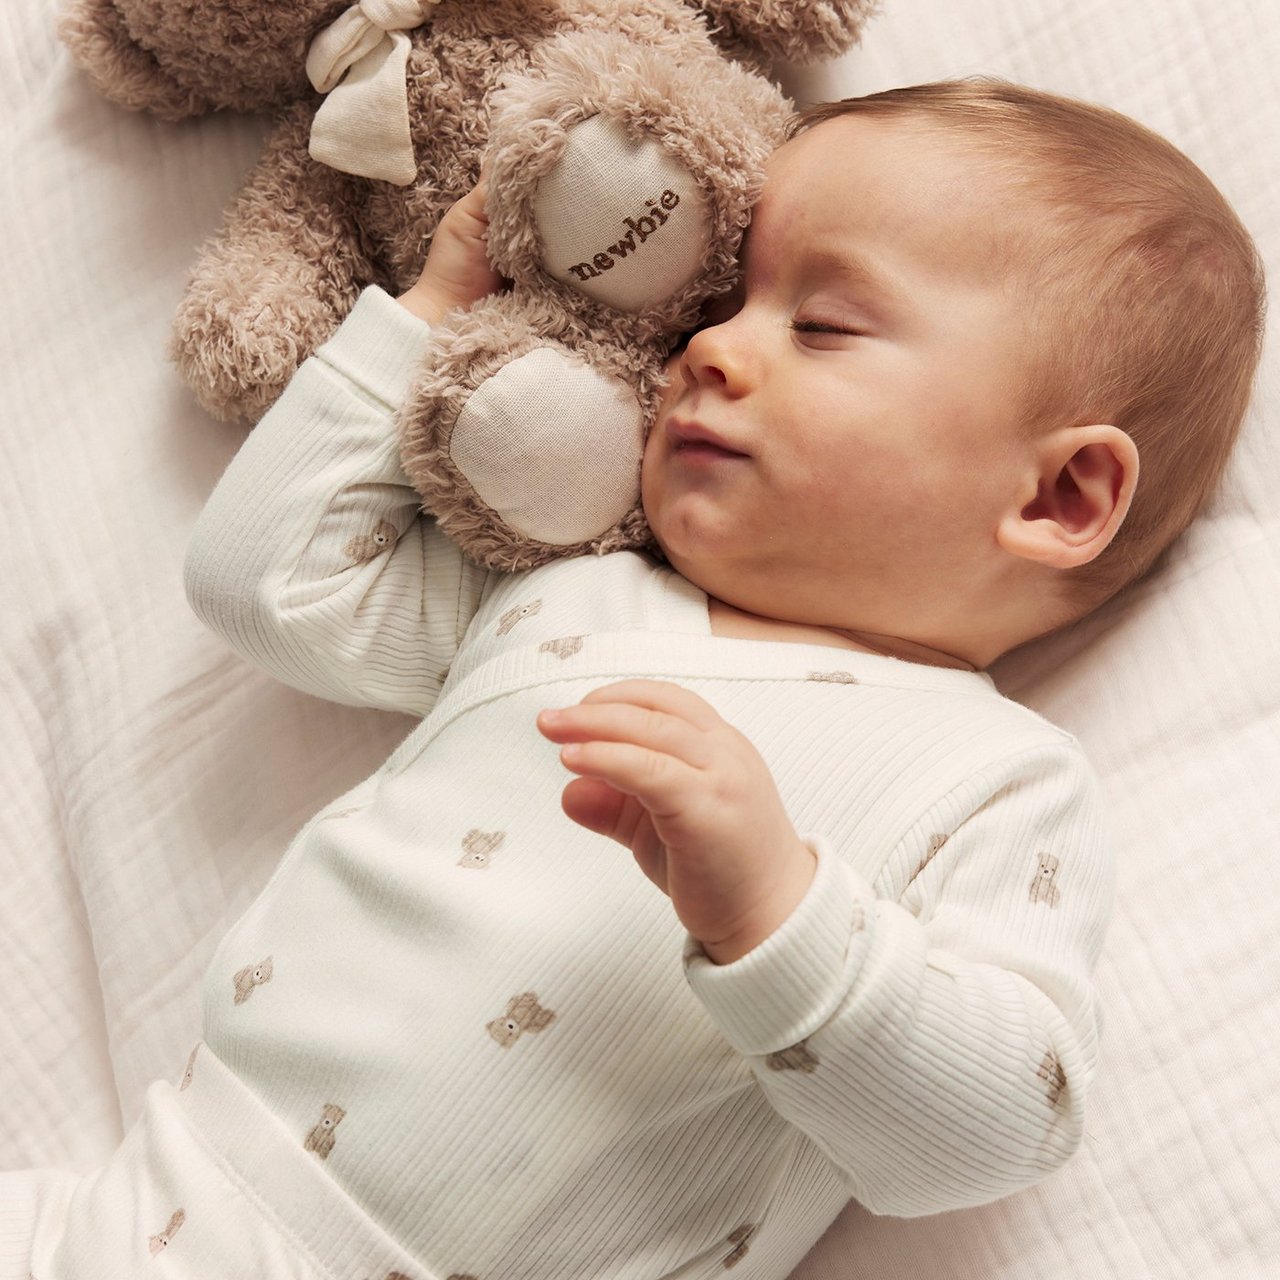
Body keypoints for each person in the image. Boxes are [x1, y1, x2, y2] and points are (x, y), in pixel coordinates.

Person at [4, 79, 1263, 1280]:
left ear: (1057, 494)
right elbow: (272, 586)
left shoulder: (997, 780)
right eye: (724, 304)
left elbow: (996, 1126)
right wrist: (426, 311)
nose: (708, 349)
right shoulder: (574, 591)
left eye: (818, 324)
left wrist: (778, 914)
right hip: (158, 1189)